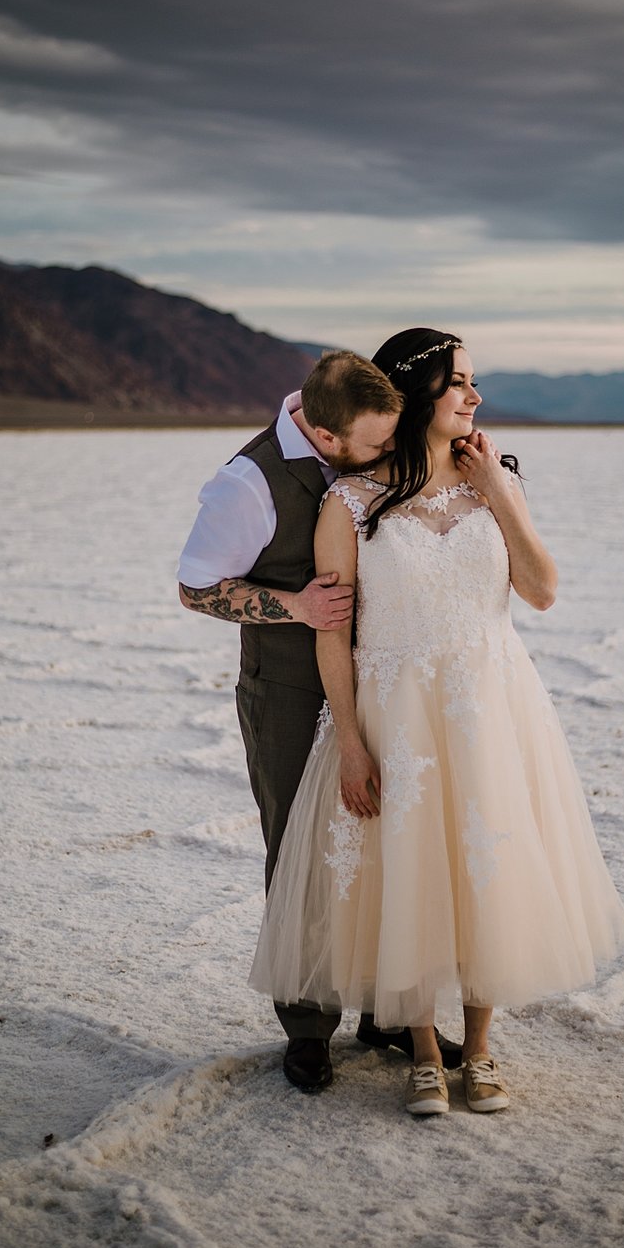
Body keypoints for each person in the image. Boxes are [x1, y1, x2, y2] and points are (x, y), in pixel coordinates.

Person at [250, 328, 624, 1116]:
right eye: (459, 382)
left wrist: (495, 489)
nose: (474, 396)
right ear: (420, 394)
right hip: (396, 712)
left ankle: (481, 1047)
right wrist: (351, 742)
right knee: (409, 870)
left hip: (492, 705)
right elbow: (333, 633)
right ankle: (423, 1048)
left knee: (487, 866)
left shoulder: (494, 479)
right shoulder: (350, 501)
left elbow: (542, 591)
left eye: (474, 382)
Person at [178, 350, 463, 1092]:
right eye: (374, 448)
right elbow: (195, 587)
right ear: (330, 440)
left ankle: (390, 1009)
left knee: (385, 842)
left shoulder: (366, 423)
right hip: (287, 691)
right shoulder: (248, 483)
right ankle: (307, 1028)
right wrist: (294, 607)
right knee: (301, 849)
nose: (387, 455)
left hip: (383, 680)